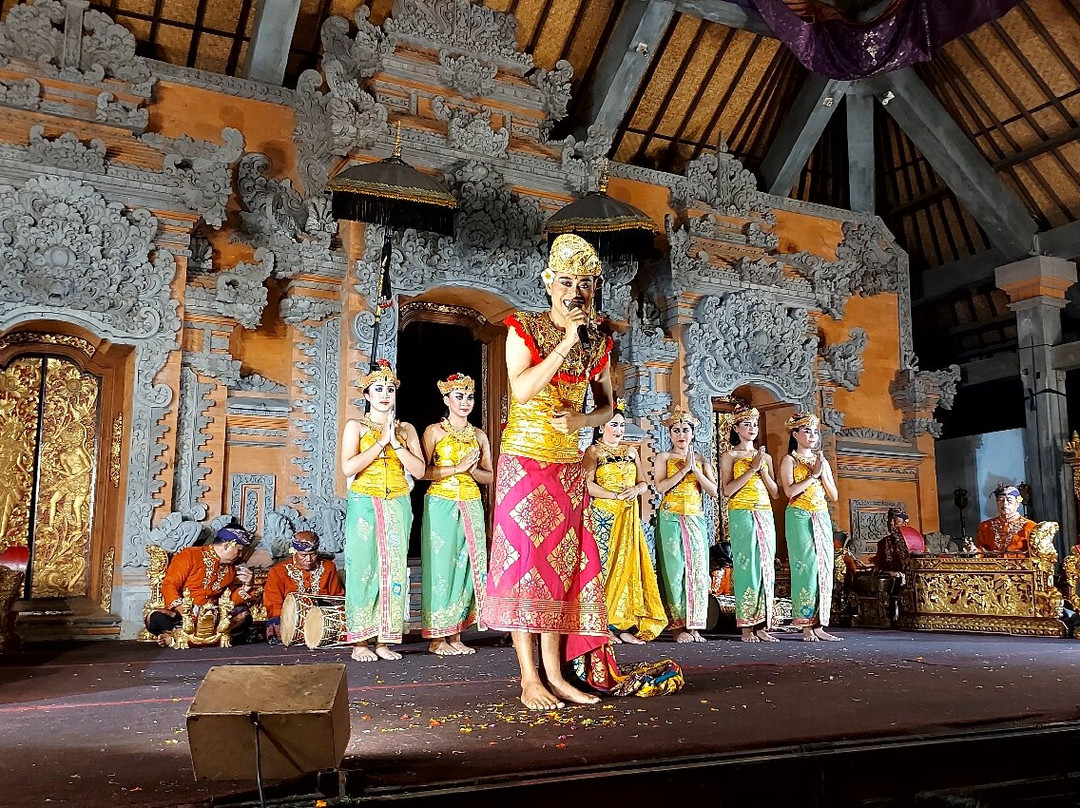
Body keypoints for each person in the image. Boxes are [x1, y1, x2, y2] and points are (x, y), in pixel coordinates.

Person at [482, 233, 616, 710]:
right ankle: (528, 679)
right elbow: (521, 390)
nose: (574, 293)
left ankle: (556, 675)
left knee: (559, 570)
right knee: (524, 568)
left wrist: (583, 420)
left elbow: (607, 407)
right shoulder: (525, 328)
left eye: (584, 284)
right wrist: (564, 344)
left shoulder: (599, 342)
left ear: (594, 288)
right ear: (548, 283)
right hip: (524, 461)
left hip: (567, 464)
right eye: (565, 282)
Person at [340, 359, 427, 662]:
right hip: (365, 500)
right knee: (364, 568)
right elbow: (348, 467)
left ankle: (385, 639)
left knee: (393, 569)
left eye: (389, 389)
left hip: (398, 502)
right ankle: (361, 641)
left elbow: (419, 469)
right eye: (378, 389)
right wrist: (380, 444)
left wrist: (397, 444)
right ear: (366, 394)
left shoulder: (406, 429)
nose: (385, 394)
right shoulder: (356, 426)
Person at [420, 373, 493, 656]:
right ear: (446, 399)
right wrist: (456, 469)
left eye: (469, 397)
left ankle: (457, 633)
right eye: (459, 396)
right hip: (441, 501)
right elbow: (422, 471)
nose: (465, 402)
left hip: (471, 500)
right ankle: (438, 637)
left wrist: (471, 470)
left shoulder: (479, 435)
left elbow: (489, 476)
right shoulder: (433, 431)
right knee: (441, 568)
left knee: (467, 566)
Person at [583, 401, 667, 645]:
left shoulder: (631, 451)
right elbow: (586, 485)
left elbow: (644, 483)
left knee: (629, 568)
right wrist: (615, 495)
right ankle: (602, 624)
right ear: (601, 427)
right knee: (606, 569)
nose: (619, 430)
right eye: (614, 425)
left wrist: (635, 490)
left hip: (629, 516)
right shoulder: (593, 452)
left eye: (621, 425)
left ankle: (624, 625)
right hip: (604, 516)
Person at [654, 405, 719, 643]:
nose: (681, 435)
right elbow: (660, 488)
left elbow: (713, 491)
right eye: (676, 430)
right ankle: (677, 626)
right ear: (670, 434)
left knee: (698, 571)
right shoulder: (664, 457)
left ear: (693, 433)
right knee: (674, 570)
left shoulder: (702, 459)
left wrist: (695, 470)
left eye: (685, 430)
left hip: (694, 517)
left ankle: (695, 625)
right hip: (670, 516)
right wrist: (683, 472)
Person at [720, 404, 779, 643]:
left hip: (764, 511)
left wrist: (762, 470)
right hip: (741, 511)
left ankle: (764, 623)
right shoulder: (730, 456)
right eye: (746, 424)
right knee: (747, 565)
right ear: (736, 428)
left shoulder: (765, 457)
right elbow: (727, 490)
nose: (752, 428)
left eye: (755, 424)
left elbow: (775, 492)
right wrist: (751, 469)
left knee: (767, 565)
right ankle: (746, 626)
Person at [779, 413, 841, 642]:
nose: (812, 435)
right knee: (805, 566)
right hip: (799, 515)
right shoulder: (789, 460)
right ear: (795, 435)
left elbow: (834, 495)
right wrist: (813, 475)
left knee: (824, 567)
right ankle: (805, 623)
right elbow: (789, 492)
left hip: (821, 515)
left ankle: (820, 623)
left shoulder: (821, 461)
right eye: (806, 431)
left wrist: (822, 472)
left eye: (815, 431)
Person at [146, 526, 257, 648]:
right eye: (239, 550)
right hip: (184, 616)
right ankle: (196, 637)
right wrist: (184, 610)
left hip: (211, 617)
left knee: (245, 615)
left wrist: (247, 586)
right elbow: (169, 585)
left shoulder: (230, 570)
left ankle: (176, 638)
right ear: (227, 545)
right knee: (153, 618)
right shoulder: (190, 555)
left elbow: (228, 601)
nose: (240, 555)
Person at [263, 530, 345, 642]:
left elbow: (337, 597)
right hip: (291, 621)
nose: (309, 560)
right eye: (303, 555)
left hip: (323, 621)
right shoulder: (278, 571)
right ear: (294, 552)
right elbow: (273, 602)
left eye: (313, 554)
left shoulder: (328, 567)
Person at [975, 484, 1036, 555]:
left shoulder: (1031, 527)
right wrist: (974, 550)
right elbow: (980, 550)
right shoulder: (985, 526)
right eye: (1000, 500)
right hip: (992, 565)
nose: (1004, 503)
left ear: (1017, 503)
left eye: (1009, 500)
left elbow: (1037, 555)